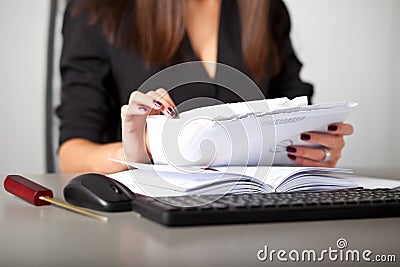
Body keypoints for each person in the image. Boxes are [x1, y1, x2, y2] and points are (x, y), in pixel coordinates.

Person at [58, 0, 354, 174]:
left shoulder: (265, 8)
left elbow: (296, 112)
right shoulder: (98, 9)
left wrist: (316, 149)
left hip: (254, 218)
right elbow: (71, 154)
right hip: (141, 224)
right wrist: (137, 151)